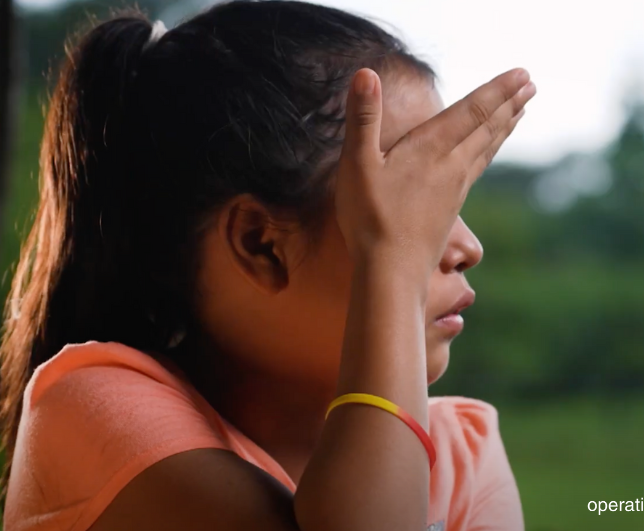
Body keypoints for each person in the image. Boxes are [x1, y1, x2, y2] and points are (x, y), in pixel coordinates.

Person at [0, 1, 536, 530]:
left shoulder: (462, 452)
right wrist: (393, 264)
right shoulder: (96, 413)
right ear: (261, 245)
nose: (468, 247)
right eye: (408, 207)